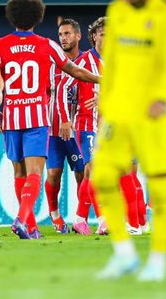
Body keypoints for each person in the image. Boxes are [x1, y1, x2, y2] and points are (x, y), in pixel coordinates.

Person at [93, 0, 166, 281]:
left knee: (160, 187)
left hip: (154, 114)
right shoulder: (117, 12)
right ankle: (125, 254)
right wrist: (104, 108)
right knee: (101, 178)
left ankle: (157, 260)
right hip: (119, 112)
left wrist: (161, 97)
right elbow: (112, 64)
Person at [0, 0, 100, 240]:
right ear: (37, 17)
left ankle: (30, 224)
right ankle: (22, 219)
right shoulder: (46, 45)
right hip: (36, 118)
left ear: (12, 16)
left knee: (19, 173)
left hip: (12, 118)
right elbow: (74, 70)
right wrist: (102, 78)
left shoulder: (0, 44)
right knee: (36, 173)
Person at [57, 18, 111, 236]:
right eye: (102, 34)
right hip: (86, 123)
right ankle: (104, 220)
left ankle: (80, 218)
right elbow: (63, 87)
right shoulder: (85, 61)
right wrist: (65, 119)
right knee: (95, 170)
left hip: (108, 126)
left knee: (90, 173)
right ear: (94, 36)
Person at [44, 19, 86, 234]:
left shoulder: (87, 63)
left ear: (78, 36)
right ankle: (56, 217)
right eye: (61, 34)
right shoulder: (51, 63)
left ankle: (81, 218)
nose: (64, 38)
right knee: (53, 174)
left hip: (78, 129)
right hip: (53, 130)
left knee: (83, 173)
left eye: (68, 34)